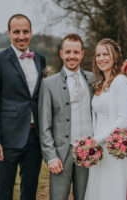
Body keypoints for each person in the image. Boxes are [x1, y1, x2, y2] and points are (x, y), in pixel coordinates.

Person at [0, 14, 46, 200]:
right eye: (16, 32)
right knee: (4, 192)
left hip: (35, 138)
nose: (21, 36)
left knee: (30, 190)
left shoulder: (40, 60)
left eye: (25, 31)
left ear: (31, 33)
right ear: (9, 33)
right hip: (7, 138)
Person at [38, 34, 94, 200]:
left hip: (88, 150)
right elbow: (44, 125)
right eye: (68, 52)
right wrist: (51, 157)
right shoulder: (48, 84)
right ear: (61, 54)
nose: (72, 56)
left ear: (82, 54)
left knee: (85, 196)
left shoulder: (93, 79)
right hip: (62, 153)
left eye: (76, 52)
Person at [84, 38, 127, 200]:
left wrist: (97, 139)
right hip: (98, 147)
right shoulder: (99, 83)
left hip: (113, 147)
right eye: (98, 55)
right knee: (98, 190)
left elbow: (125, 119)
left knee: (111, 191)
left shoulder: (121, 82)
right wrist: (93, 141)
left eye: (106, 54)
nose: (101, 58)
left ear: (116, 58)